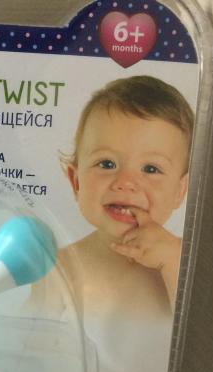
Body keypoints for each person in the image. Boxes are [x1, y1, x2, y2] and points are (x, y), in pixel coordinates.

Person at [54, 75, 194, 315]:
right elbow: (28, 329)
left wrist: (172, 262)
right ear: (76, 181)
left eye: (151, 169)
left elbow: (201, 324)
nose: (126, 183)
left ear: (180, 191)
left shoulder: (184, 261)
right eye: (107, 164)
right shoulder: (59, 267)